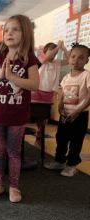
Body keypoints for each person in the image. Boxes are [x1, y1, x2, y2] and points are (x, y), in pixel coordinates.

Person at [0, 14, 40, 203]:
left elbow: (34, 84)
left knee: (14, 152)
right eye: (6, 30)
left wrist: (12, 77)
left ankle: (14, 187)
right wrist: (0, 76)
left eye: (15, 29)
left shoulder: (29, 59)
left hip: (17, 116)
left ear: (26, 33)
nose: (9, 33)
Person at [44, 43, 90, 177]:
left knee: (76, 140)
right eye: (73, 56)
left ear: (87, 61)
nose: (76, 60)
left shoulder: (86, 75)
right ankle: (60, 161)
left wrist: (78, 110)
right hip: (65, 115)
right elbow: (62, 95)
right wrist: (60, 108)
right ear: (69, 58)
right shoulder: (66, 77)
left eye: (81, 58)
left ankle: (72, 165)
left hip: (80, 115)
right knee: (61, 138)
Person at [31, 40, 70, 146]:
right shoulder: (41, 61)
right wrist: (57, 47)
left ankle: (39, 136)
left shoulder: (57, 64)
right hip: (36, 91)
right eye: (51, 53)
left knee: (44, 118)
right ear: (45, 53)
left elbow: (70, 60)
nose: (53, 55)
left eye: (55, 53)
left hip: (48, 93)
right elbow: (48, 57)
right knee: (31, 113)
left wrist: (63, 48)